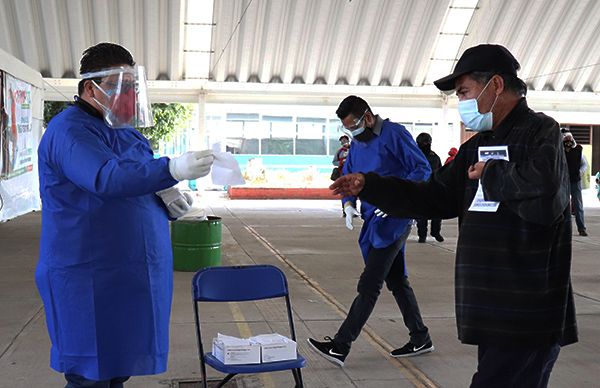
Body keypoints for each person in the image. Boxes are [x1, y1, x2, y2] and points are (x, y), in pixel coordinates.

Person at [330, 45, 577, 388]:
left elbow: (547, 191)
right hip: (492, 308)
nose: (460, 101)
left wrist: (492, 175)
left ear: (495, 86)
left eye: (464, 92)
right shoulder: (477, 145)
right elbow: (434, 196)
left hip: (527, 309)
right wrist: (370, 186)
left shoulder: (541, 132)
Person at [36, 43, 215, 388]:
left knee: (118, 366)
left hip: (130, 271)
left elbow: (139, 169)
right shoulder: (68, 131)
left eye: (134, 86)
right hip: (87, 273)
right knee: (91, 372)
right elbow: (106, 177)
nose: (130, 95)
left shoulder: (125, 132)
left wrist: (165, 193)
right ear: (91, 88)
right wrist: (173, 168)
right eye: (122, 86)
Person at [307, 95, 434, 367]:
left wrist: (396, 199)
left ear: (366, 117)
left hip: (395, 220)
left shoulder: (394, 134)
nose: (351, 133)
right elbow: (348, 174)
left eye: (353, 126)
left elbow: (421, 169)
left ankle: (341, 345)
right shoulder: (357, 144)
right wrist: (349, 203)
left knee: (370, 284)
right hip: (372, 221)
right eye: (346, 129)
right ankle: (420, 336)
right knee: (397, 281)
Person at [415, 133, 444, 243]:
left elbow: (440, 171)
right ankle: (422, 235)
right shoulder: (414, 155)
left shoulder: (435, 157)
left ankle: (435, 232)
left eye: (427, 142)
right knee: (421, 215)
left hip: (434, 187)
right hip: (420, 188)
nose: (426, 144)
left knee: (437, 212)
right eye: (424, 142)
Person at [562, 131, 588, 236]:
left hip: (575, 181)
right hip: (563, 182)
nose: (567, 140)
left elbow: (584, 164)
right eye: (565, 138)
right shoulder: (560, 150)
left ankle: (581, 228)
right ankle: (563, 229)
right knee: (562, 206)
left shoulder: (578, 150)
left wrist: (580, 172)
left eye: (569, 138)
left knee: (578, 206)